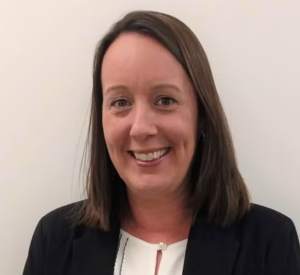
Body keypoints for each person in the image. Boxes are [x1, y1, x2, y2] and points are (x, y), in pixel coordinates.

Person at [23, 10, 300, 275]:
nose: (141, 128)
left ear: (202, 115)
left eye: (165, 100)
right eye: (121, 102)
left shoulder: (270, 242)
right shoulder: (55, 240)